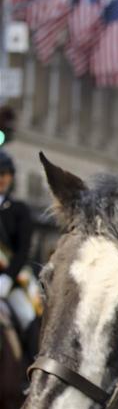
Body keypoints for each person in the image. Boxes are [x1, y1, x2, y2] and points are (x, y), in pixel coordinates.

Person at [0, 151, 39, 362]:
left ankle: (30, 372)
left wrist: (7, 278)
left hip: (12, 280)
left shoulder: (18, 210)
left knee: (27, 316)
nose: (2, 179)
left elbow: (23, 249)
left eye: (6, 173)